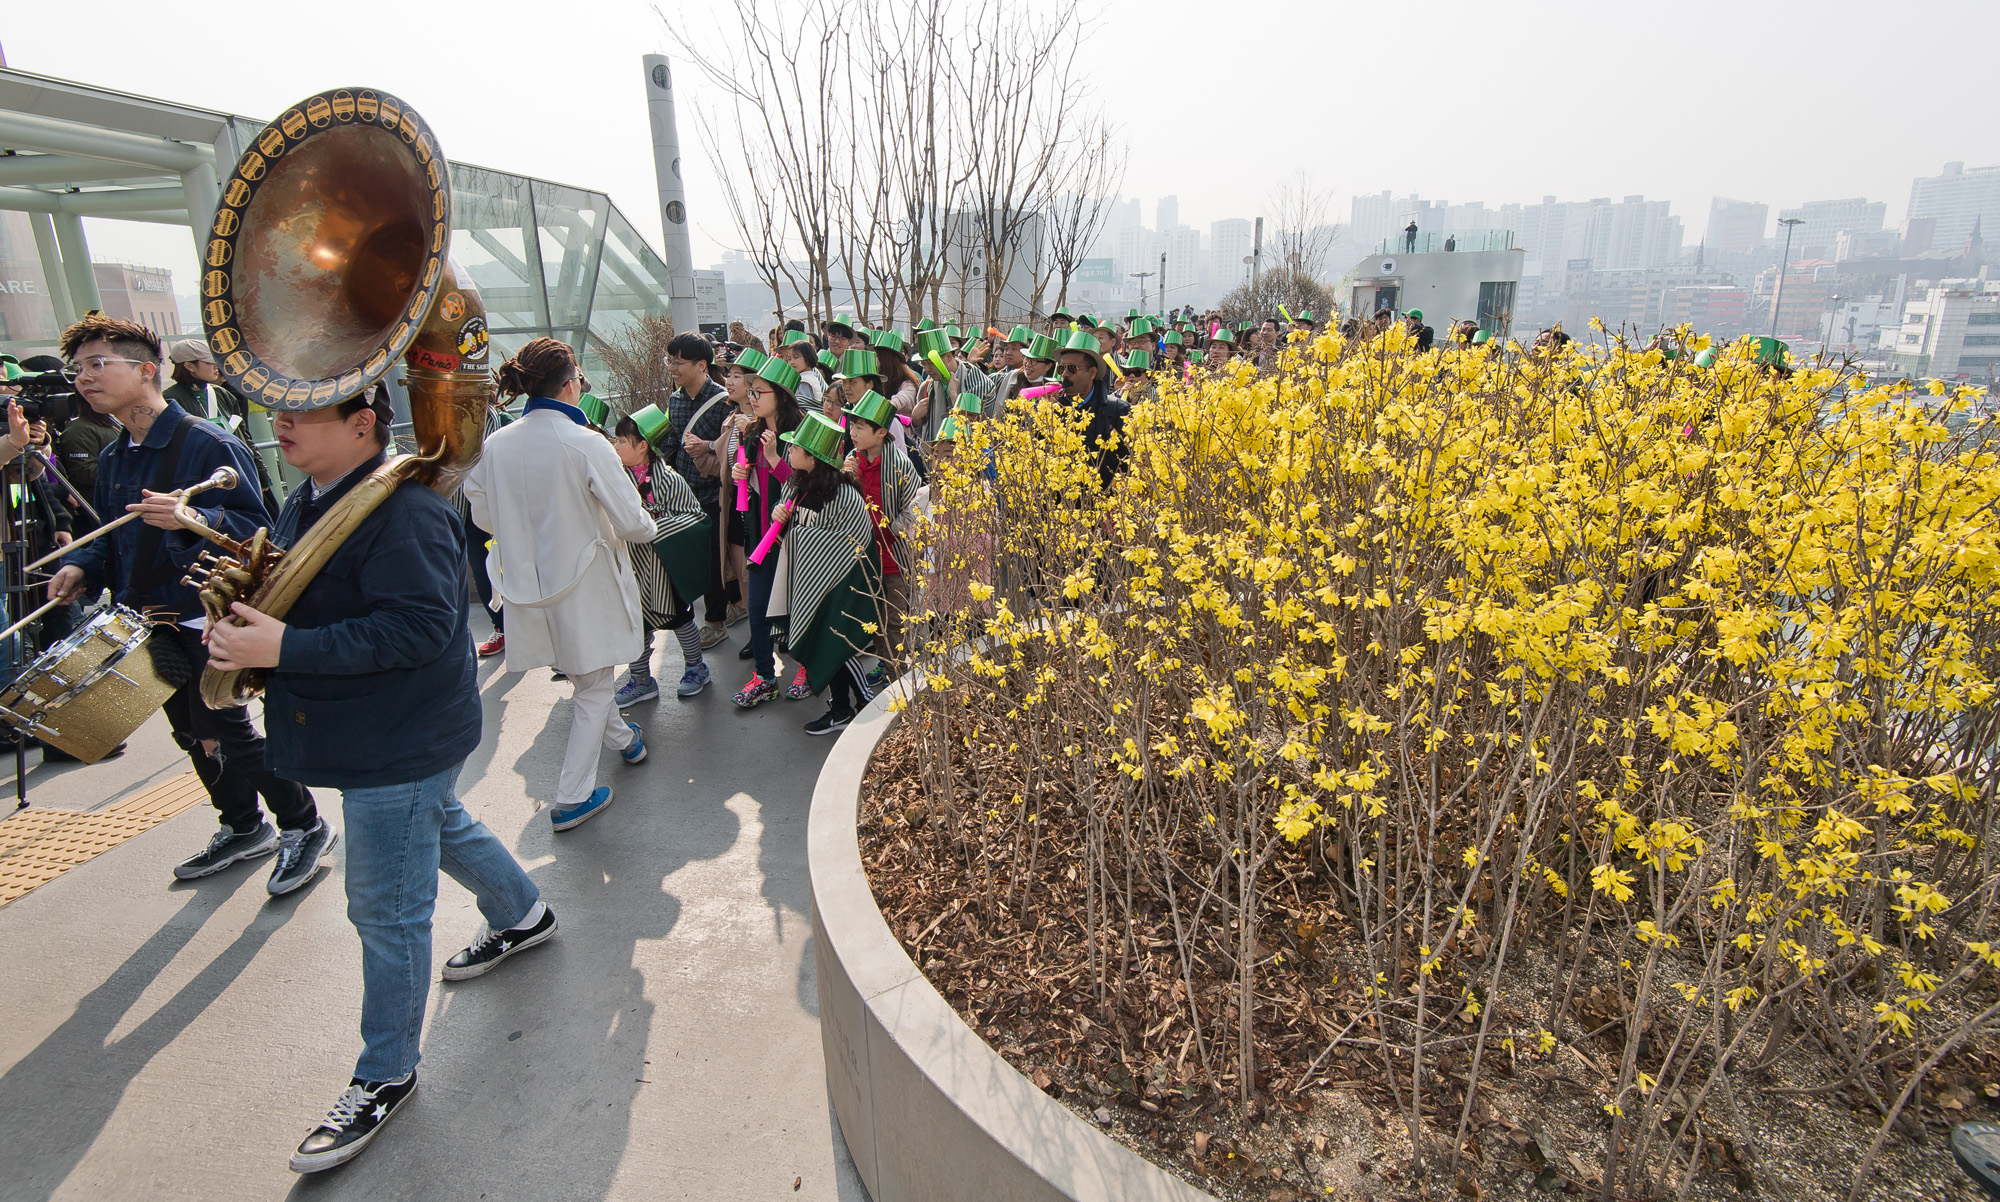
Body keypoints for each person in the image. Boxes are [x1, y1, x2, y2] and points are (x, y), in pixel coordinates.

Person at [201, 383, 551, 1173]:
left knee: (386, 910)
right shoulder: (309, 498)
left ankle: (384, 1072)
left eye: (302, 412)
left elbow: (421, 629)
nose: (280, 423)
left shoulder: (407, 511)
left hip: (401, 735)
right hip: (382, 732)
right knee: (441, 823)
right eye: (280, 410)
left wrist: (281, 648)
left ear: (363, 424)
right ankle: (524, 913)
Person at [48, 315, 327, 892]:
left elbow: (261, 531)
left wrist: (193, 517)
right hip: (150, 617)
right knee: (191, 734)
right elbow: (113, 535)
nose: (84, 378)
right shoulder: (114, 454)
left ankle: (304, 825)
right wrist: (82, 566)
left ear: (146, 370)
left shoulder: (207, 443)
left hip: (207, 616)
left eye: (98, 364)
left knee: (228, 730)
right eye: (78, 369)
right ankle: (243, 825)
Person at [462, 338, 653, 832]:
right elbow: (633, 524)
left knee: (587, 678)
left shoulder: (495, 445)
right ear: (570, 385)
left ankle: (625, 740)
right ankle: (572, 797)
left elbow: (482, 514)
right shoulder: (585, 442)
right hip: (585, 584)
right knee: (593, 683)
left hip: (526, 586)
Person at [773, 412, 879, 735]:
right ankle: (842, 709)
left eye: (796, 447)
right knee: (824, 643)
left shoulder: (843, 495)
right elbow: (791, 538)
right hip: (812, 585)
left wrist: (796, 533)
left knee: (836, 645)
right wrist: (781, 520)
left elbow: (851, 544)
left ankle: (863, 703)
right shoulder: (796, 485)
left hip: (844, 584)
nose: (790, 450)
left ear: (813, 457)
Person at [611, 411, 713, 703]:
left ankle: (696, 667)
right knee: (636, 623)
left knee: (680, 617)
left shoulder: (669, 479)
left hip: (667, 566)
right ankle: (641, 679)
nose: (616, 446)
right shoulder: (616, 479)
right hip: (633, 565)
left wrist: (654, 524)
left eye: (622, 441)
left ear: (643, 446)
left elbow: (695, 517)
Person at [728, 356, 807, 708]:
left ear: (781, 394)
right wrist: (740, 476)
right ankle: (764, 677)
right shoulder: (751, 432)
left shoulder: (802, 434)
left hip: (795, 540)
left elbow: (807, 487)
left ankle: (805, 669)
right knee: (757, 607)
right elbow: (751, 483)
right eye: (751, 392)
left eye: (759, 392)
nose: (753, 398)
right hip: (761, 536)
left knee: (797, 608)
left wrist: (774, 458)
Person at [662, 334, 742, 649]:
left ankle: (715, 622)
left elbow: (730, 448)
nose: (672, 367)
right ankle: (734, 605)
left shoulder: (724, 401)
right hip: (683, 494)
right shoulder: (675, 400)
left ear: (701, 365)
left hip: (714, 493)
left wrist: (708, 446)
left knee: (713, 559)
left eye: (678, 362)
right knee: (696, 559)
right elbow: (672, 439)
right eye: (670, 361)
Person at [842, 389, 920, 676]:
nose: (853, 432)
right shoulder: (852, 460)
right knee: (872, 617)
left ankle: (897, 674)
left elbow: (913, 512)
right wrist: (846, 478)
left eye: (860, 427)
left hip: (892, 559)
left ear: (881, 432)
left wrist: (884, 532)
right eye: (852, 425)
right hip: (861, 557)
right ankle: (885, 664)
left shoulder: (900, 465)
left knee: (895, 620)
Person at [1054, 331, 1131, 489]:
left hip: (1104, 499)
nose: (1065, 374)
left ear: (1092, 373)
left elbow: (1128, 465)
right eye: (1061, 368)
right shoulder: (1053, 408)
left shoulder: (1117, 411)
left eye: (1072, 368)